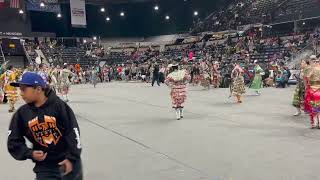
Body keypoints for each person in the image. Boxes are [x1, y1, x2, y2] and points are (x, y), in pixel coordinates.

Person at [7, 72, 83, 180]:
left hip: (68, 161)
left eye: (24, 89)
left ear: (38, 89)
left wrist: (72, 158)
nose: (21, 93)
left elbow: (73, 132)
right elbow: (13, 141)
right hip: (45, 167)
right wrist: (30, 153)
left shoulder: (59, 106)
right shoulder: (22, 114)